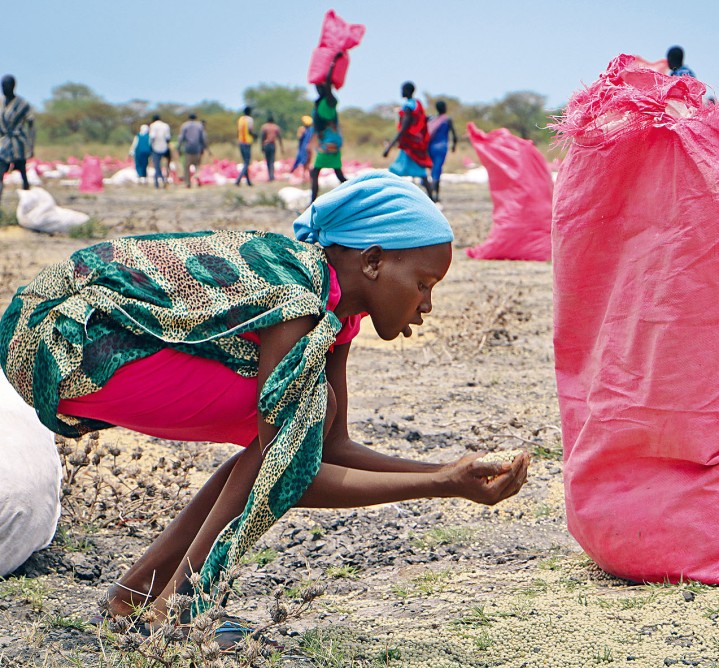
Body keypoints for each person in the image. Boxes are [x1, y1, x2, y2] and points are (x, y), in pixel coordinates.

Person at [0, 170, 530, 645]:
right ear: (371, 261)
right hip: (60, 340)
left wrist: (446, 472)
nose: (427, 305)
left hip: (86, 343)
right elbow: (290, 470)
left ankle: (137, 596)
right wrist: (439, 485)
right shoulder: (299, 295)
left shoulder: (336, 312)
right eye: (423, 284)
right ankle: (180, 610)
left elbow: (330, 447)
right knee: (296, 420)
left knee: (300, 420)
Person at [383, 82, 433, 198]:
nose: (401, 92)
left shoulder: (408, 107)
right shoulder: (417, 104)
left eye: (403, 90)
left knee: (394, 171)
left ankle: (390, 197)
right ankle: (432, 199)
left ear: (408, 91)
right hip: (415, 144)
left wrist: (389, 147)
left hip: (409, 146)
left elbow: (404, 128)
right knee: (421, 173)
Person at [311, 53, 348, 203]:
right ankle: (355, 193)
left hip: (331, 140)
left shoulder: (331, 100)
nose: (318, 89)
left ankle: (312, 202)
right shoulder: (321, 103)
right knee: (337, 173)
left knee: (316, 172)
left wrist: (333, 62)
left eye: (321, 87)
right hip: (328, 139)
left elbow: (327, 83)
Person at [0, 74, 35, 207]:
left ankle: (28, 202)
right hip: (4, 143)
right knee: (0, 171)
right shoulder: (0, 103)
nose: (4, 89)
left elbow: (31, 123)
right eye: (2, 86)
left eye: (6, 86)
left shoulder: (22, 104)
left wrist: (31, 145)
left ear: (13, 87)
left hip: (17, 143)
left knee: (22, 173)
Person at [426, 100, 457, 203]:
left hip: (430, 148)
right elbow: (454, 136)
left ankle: (433, 195)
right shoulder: (447, 120)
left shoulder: (432, 120)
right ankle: (433, 195)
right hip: (442, 148)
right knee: (437, 170)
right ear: (445, 108)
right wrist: (454, 146)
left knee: (433, 170)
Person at [178, 113, 207, 188]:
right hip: (197, 148)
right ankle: (197, 176)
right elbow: (202, 138)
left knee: (187, 166)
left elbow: (181, 138)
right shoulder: (199, 126)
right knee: (197, 164)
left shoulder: (185, 125)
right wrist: (203, 147)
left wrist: (179, 147)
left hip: (188, 148)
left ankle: (188, 183)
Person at [149, 114, 172, 189]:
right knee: (166, 165)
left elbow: (152, 137)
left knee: (157, 166)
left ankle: (158, 182)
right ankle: (163, 181)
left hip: (156, 148)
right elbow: (168, 138)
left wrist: (150, 146)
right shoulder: (165, 125)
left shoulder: (153, 125)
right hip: (165, 147)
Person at [235, 106, 256, 187]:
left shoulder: (240, 119)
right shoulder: (250, 119)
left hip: (241, 142)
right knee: (247, 162)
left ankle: (248, 181)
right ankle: (238, 179)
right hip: (247, 142)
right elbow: (250, 130)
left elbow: (238, 131)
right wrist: (254, 136)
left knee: (245, 162)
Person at [259, 114, 284, 182]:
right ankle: (271, 176)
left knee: (268, 161)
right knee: (272, 161)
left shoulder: (264, 127)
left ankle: (270, 176)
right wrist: (281, 147)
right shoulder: (276, 127)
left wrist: (262, 146)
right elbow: (279, 138)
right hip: (272, 145)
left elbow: (262, 137)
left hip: (266, 145)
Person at [291, 115, 314, 183]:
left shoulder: (303, 129)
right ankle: (307, 177)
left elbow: (299, 137)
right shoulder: (311, 130)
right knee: (307, 163)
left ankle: (304, 177)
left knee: (303, 162)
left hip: (304, 148)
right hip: (309, 148)